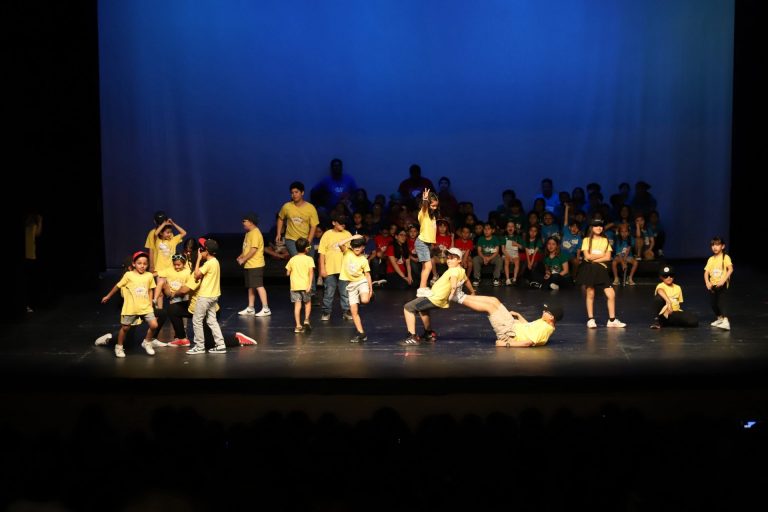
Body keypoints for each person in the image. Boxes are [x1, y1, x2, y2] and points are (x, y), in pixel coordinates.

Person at [401, 247, 473, 345]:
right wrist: (472, 291)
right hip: (438, 298)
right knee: (423, 309)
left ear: (459, 260)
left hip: (435, 298)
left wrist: (452, 293)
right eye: (448, 258)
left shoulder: (453, 271)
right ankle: (429, 334)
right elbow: (467, 280)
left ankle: (412, 337)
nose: (449, 260)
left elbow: (453, 283)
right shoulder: (461, 270)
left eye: (452, 258)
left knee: (408, 307)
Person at [100, 251, 159, 358]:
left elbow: (150, 290)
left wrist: (150, 304)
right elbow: (117, 286)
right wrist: (108, 296)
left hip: (145, 307)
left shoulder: (149, 275)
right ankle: (119, 347)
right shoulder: (128, 275)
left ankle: (147, 342)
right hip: (131, 307)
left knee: (154, 325)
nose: (142, 266)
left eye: (145, 264)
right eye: (139, 263)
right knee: (125, 328)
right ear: (133, 264)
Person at [575, 219, 626, 328]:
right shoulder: (586, 240)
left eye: (600, 226)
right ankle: (591, 319)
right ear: (592, 228)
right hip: (590, 268)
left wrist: (594, 258)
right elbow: (587, 257)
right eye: (596, 226)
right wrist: (601, 255)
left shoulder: (605, 240)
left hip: (601, 268)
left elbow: (608, 257)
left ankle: (612, 320)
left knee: (611, 294)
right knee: (590, 293)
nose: (599, 227)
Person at [461, 297, 562, 348]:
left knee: (490, 307)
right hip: (513, 324)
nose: (543, 311)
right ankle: (462, 296)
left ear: (551, 317)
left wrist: (505, 344)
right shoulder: (545, 322)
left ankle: (458, 298)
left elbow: (528, 343)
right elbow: (529, 326)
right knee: (494, 301)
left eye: (546, 311)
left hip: (509, 333)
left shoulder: (545, 329)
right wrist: (519, 315)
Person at [187, 238, 227, 354]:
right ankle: (220, 344)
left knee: (197, 320)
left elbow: (196, 275)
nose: (200, 252)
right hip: (214, 296)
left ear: (207, 251)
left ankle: (199, 346)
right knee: (211, 320)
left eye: (202, 250)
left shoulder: (208, 264)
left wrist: (198, 259)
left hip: (205, 296)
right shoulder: (216, 262)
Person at [318, 214, 354, 321]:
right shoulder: (327, 234)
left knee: (345, 292)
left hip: (344, 269)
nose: (343, 225)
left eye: (344, 223)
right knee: (329, 292)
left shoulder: (347, 234)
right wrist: (322, 269)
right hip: (330, 269)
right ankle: (326, 312)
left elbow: (350, 252)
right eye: (340, 223)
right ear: (334, 223)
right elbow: (322, 253)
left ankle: (346, 312)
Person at [236, 213, 271, 317]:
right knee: (251, 286)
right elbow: (246, 248)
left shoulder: (255, 233)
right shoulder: (249, 233)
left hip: (255, 264)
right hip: (249, 264)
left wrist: (244, 259)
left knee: (259, 285)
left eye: (244, 221)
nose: (243, 223)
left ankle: (266, 309)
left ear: (251, 222)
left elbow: (253, 250)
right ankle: (251, 308)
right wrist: (241, 256)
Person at [339, 235, 373, 343]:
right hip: (351, 285)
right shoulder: (347, 252)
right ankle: (361, 333)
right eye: (354, 247)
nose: (357, 249)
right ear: (351, 247)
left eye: (359, 246)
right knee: (354, 312)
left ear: (363, 247)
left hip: (361, 281)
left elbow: (367, 275)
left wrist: (371, 290)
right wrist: (352, 237)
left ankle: (365, 294)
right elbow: (340, 244)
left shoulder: (363, 260)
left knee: (365, 300)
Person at [154, 253, 192, 344]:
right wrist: (145, 275)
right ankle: (179, 336)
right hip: (173, 296)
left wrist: (181, 293)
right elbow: (157, 274)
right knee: (174, 317)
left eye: (179, 265)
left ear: (184, 263)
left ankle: (182, 336)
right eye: (175, 265)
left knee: (182, 319)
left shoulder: (187, 272)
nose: (176, 267)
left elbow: (188, 287)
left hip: (183, 297)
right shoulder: (169, 270)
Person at [276, 181, 320, 257]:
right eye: (292, 193)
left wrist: (308, 241)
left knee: (310, 260)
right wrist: (278, 233)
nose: (294, 195)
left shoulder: (310, 208)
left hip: (306, 239)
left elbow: (313, 226)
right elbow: (280, 218)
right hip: (291, 239)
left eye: (296, 192)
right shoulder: (287, 206)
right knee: (298, 258)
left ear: (302, 193)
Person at [151, 218, 187, 308]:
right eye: (167, 232)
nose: (169, 234)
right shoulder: (158, 241)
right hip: (160, 268)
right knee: (160, 291)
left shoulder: (173, 240)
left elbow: (184, 233)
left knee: (172, 290)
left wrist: (173, 223)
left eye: (170, 232)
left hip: (171, 269)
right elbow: (155, 233)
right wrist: (164, 224)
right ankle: (159, 309)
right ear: (161, 233)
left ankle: (173, 310)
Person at [285, 238, 315, 333]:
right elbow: (311, 273)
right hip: (305, 286)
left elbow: (287, 273)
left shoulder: (292, 259)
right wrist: (310, 285)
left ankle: (298, 326)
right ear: (306, 248)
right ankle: (306, 320)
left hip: (295, 286)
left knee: (297, 305)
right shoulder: (309, 259)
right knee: (307, 303)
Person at [704, 236, 733, 330]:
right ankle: (720, 319)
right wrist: (707, 282)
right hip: (713, 285)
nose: (714, 247)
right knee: (713, 304)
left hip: (722, 284)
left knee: (721, 302)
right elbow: (706, 272)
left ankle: (726, 321)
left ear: (723, 246)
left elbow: (730, 269)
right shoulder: (711, 259)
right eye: (713, 245)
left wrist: (723, 280)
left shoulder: (725, 257)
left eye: (717, 245)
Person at [415, 188, 440, 297]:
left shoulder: (432, 216)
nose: (434, 208)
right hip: (422, 243)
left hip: (427, 244)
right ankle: (421, 289)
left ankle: (423, 287)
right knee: (428, 266)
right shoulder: (423, 212)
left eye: (436, 206)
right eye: (432, 206)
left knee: (425, 267)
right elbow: (425, 206)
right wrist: (425, 199)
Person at [472, 223, 503, 287]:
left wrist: (489, 258)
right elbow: (479, 251)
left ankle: (496, 278)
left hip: (493, 256)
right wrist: (484, 258)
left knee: (499, 260)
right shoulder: (481, 239)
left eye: (488, 229)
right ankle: (477, 278)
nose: (486, 231)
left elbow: (496, 251)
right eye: (485, 229)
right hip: (483, 256)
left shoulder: (495, 238)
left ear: (492, 230)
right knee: (475, 259)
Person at [24, 210, 43, 313]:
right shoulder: (30, 222)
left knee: (30, 281)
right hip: (28, 254)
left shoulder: (32, 222)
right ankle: (27, 304)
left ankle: (29, 304)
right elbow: (37, 234)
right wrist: (40, 221)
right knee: (28, 281)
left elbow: (37, 234)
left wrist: (39, 222)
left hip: (30, 254)